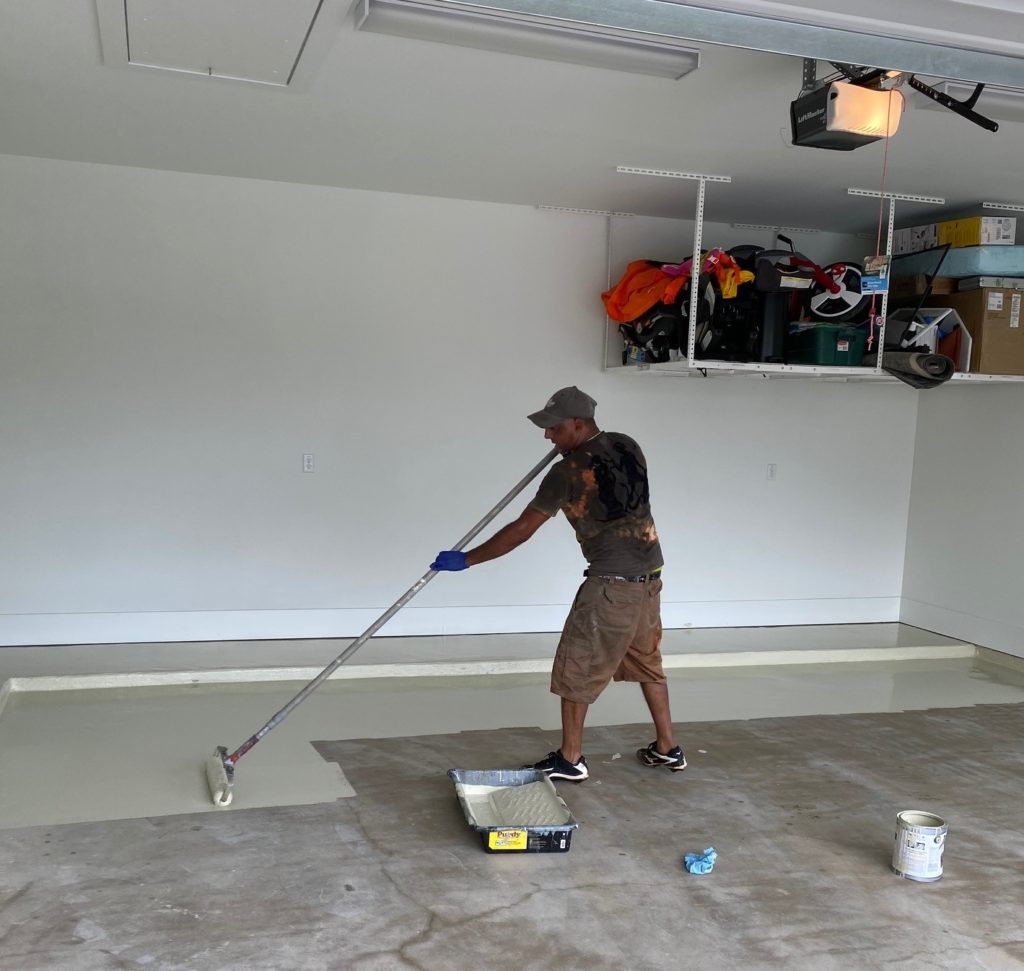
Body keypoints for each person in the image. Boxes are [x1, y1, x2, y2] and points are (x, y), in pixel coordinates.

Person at [431, 386, 685, 782]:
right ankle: (668, 748)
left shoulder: (565, 473)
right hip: (649, 579)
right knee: (648, 663)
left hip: (611, 586)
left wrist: (467, 559)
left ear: (578, 424)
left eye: (553, 428)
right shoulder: (627, 445)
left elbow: (521, 531)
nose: (548, 436)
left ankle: (570, 759)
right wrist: (574, 454)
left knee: (577, 667)